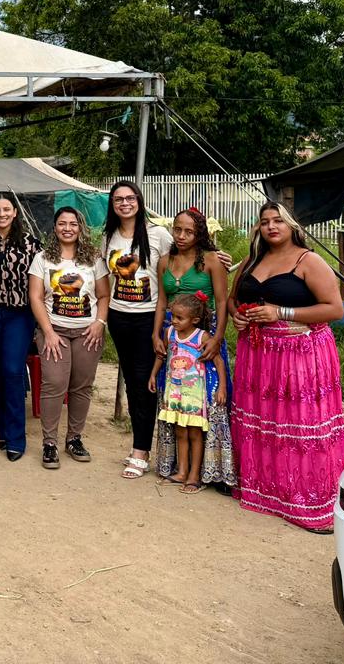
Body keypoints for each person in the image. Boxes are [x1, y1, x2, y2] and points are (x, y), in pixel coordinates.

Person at [229, 201, 344, 533]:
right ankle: (266, 492)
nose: (271, 226)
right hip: (258, 353)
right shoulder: (254, 259)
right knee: (265, 421)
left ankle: (305, 499)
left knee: (298, 425)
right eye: (265, 221)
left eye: (278, 220)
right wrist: (237, 314)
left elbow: (335, 309)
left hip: (300, 354)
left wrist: (283, 313)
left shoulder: (308, 260)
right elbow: (234, 298)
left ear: (291, 224)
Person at [151, 207, 234, 488]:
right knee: (174, 402)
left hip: (203, 340)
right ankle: (176, 465)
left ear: (200, 234)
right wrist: (156, 334)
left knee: (207, 405)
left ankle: (211, 470)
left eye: (189, 231)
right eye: (177, 229)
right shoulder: (164, 261)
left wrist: (218, 337)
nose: (182, 236)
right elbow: (162, 302)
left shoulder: (212, 261)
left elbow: (222, 302)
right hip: (173, 340)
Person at [28, 206, 110, 470]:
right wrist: (48, 332)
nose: (67, 228)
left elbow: (104, 295)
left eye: (73, 224)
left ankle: (74, 438)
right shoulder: (43, 258)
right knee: (54, 383)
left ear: (80, 227)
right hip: (55, 331)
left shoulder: (93, 258)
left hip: (88, 331)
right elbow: (36, 297)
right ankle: (49, 443)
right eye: (62, 223)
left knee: (82, 386)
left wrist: (100, 323)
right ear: (54, 228)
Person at [102, 181, 173, 481]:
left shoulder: (158, 235)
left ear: (139, 201)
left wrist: (215, 257)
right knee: (132, 381)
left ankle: (141, 450)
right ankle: (140, 444)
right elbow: (106, 279)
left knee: (146, 383)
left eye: (130, 198)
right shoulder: (109, 236)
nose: (125, 203)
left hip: (149, 319)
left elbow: (182, 262)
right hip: (120, 318)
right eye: (118, 199)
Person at [0, 191, 40, 462]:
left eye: (6, 209)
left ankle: (16, 438)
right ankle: (3, 431)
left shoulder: (32, 245)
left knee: (13, 371)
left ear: (15, 212)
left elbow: (41, 284)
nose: (1, 214)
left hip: (19, 315)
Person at [148, 292, 228, 495]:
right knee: (180, 432)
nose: (174, 321)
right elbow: (161, 355)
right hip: (174, 392)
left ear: (195, 320)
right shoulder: (169, 333)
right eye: (173, 316)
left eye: (179, 318)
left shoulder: (202, 337)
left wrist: (222, 387)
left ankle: (194, 476)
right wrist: (153, 375)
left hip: (194, 394)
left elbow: (219, 363)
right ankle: (182, 471)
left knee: (194, 434)